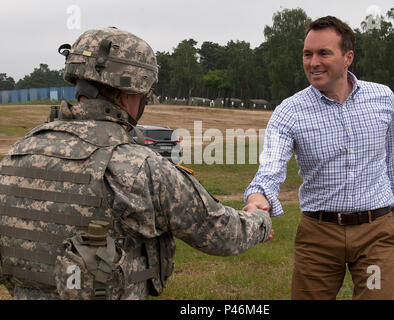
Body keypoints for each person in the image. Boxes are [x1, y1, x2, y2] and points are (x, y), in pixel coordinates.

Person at [0, 27, 272, 300]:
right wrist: (260, 220)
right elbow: (221, 233)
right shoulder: (139, 167)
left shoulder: (17, 153)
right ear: (131, 90)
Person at [244, 16, 394, 300]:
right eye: (307, 54)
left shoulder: (382, 98)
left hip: (375, 237)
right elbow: (270, 167)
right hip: (319, 238)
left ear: (348, 57)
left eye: (324, 53)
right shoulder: (290, 111)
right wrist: (258, 197)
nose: (313, 62)